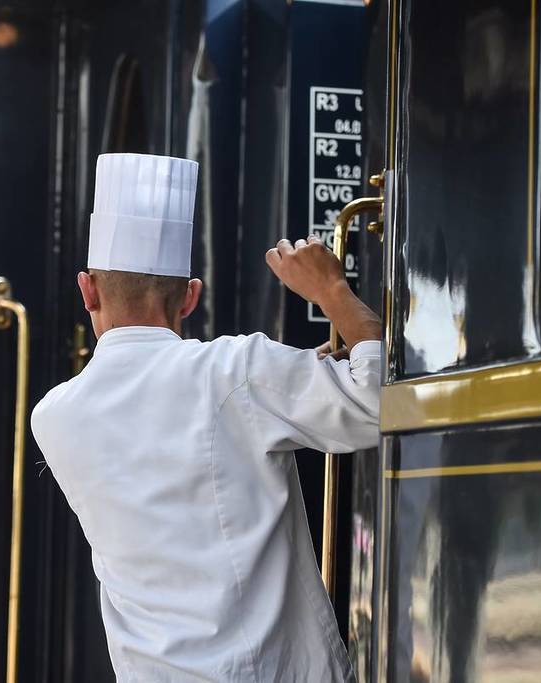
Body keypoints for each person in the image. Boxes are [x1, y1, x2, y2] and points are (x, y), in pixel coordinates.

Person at [30, 153, 380, 682]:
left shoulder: (52, 418)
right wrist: (332, 291)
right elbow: (379, 403)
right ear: (190, 297)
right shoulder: (237, 372)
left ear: (88, 289)